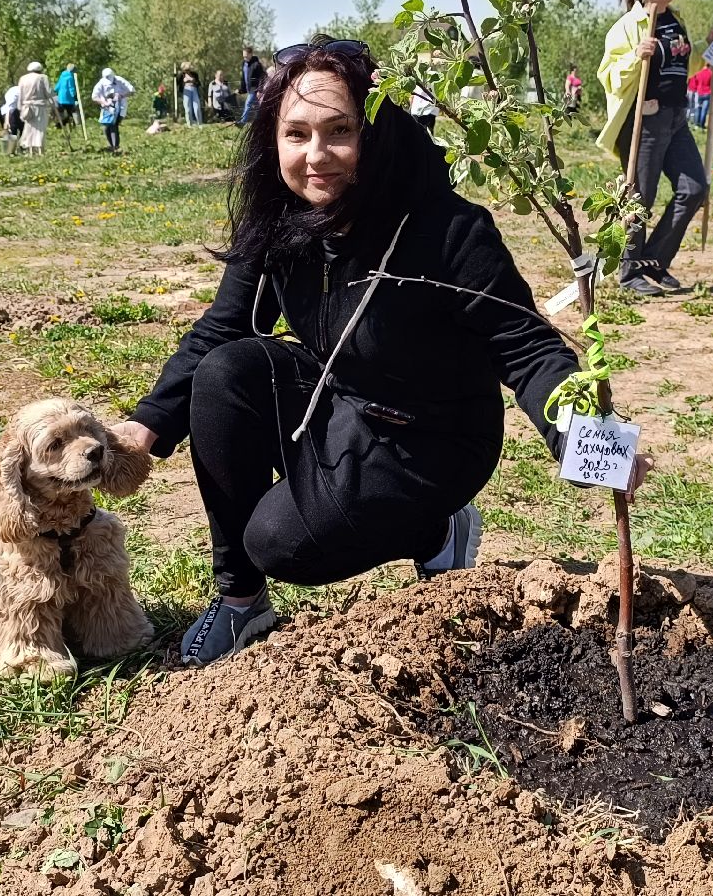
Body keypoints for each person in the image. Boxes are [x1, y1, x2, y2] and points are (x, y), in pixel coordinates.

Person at [108, 37, 651, 667]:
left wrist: (592, 441)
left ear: (375, 130)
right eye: (296, 134)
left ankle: (436, 526)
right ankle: (241, 601)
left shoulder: (445, 230)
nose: (317, 156)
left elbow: (525, 346)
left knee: (280, 543)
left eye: (340, 131)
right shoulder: (281, 220)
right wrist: (145, 426)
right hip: (337, 400)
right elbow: (222, 327)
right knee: (225, 373)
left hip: (434, 438)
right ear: (272, 138)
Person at [596, 0, 713, 297]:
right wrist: (636, 57)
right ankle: (628, 269)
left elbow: (683, 71)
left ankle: (655, 260)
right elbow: (610, 78)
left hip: (677, 118)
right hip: (641, 122)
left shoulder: (675, 23)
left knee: (694, 188)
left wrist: (711, 50)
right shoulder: (628, 27)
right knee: (639, 199)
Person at [15, 61, 53, 155]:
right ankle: (40, 150)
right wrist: (52, 102)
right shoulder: (43, 77)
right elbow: (48, 92)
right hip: (40, 106)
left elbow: (20, 94)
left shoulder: (23, 78)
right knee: (40, 128)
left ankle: (30, 150)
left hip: (27, 107)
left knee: (29, 128)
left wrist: (20, 107)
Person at [237, 45, 265, 125]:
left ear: (251, 54)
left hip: (255, 88)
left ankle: (243, 121)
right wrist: (242, 89)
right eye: (243, 56)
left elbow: (262, 77)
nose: (244, 58)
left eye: (246, 56)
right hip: (249, 88)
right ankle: (261, 122)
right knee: (258, 106)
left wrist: (260, 89)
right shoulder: (244, 64)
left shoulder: (257, 64)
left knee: (248, 103)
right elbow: (243, 78)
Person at [687, 63, 713, 128]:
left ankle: (697, 124)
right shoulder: (710, 73)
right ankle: (702, 125)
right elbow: (712, 84)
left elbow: (695, 82)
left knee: (698, 108)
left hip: (699, 92)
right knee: (704, 110)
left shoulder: (698, 73)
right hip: (708, 93)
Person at [55, 63, 81, 130]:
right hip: (68, 99)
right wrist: (75, 97)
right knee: (71, 113)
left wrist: (54, 91)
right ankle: (67, 126)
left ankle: (61, 125)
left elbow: (58, 85)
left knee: (62, 113)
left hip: (61, 98)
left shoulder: (62, 76)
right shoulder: (70, 77)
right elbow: (71, 88)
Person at [0, 81, 22, 154]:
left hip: (15, 111)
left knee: (20, 130)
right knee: (12, 130)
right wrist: (6, 121)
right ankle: (10, 151)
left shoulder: (19, 91)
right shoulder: (15, 92)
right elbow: (9, 108)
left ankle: (17, 149)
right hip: (8, 112)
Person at [98, 86, 123, 153]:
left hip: (113, 114)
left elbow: (118, 104)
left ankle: (115, 146)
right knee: (106, 129)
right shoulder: (101, 89)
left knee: (113, 128)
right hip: (107, 115)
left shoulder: (115, 93)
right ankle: (112, 145)